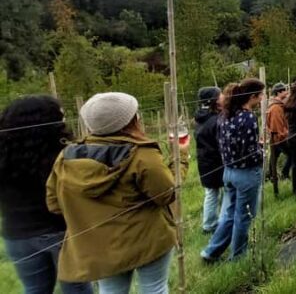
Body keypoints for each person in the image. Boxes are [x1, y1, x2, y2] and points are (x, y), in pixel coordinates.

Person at [47, 92, 189, 293]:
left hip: (100, 247)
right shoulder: (141, 154)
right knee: (154, 288)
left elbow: (53, 203)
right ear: (130, 121)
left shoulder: (66, 158)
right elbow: (167, 193)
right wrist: (181, 156)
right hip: (147, 240)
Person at [0, 96, 93, 294]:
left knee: (34, 290)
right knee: (77, 290)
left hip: (17, 234)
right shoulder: (64, 155)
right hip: (61, 231)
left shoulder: (5, 157)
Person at [201, 78, 265, 262]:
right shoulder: (248, 117)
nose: (262, 98)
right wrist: (262, 151)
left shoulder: (224, 116)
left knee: (229, 213)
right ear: (252, 96)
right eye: (260, 95)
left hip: (228, 171)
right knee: (243, 216)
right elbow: (249, 153)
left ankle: (211, 251)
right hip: (246, 173)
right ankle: (237, 257)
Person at [195, 86, 228, 234]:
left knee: (211, 192)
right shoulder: (216, 120)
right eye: (220, 95)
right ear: (214, 100)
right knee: (225, 191)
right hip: (217, 161)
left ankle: (209, 224)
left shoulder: (200, 118)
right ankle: (221, 223)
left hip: (205, 161)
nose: (223, 97)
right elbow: (221, 142)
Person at [266, 82, 292, 196]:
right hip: (279, 137)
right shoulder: (276, 107)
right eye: (285, 90)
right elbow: (277, 126)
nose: (287, 93)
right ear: (279, 92)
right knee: (292, 154)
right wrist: (284, 136)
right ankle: (284, 174)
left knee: (274, 156)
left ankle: (270, 175)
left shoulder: (278, 105)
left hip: (275, 137)